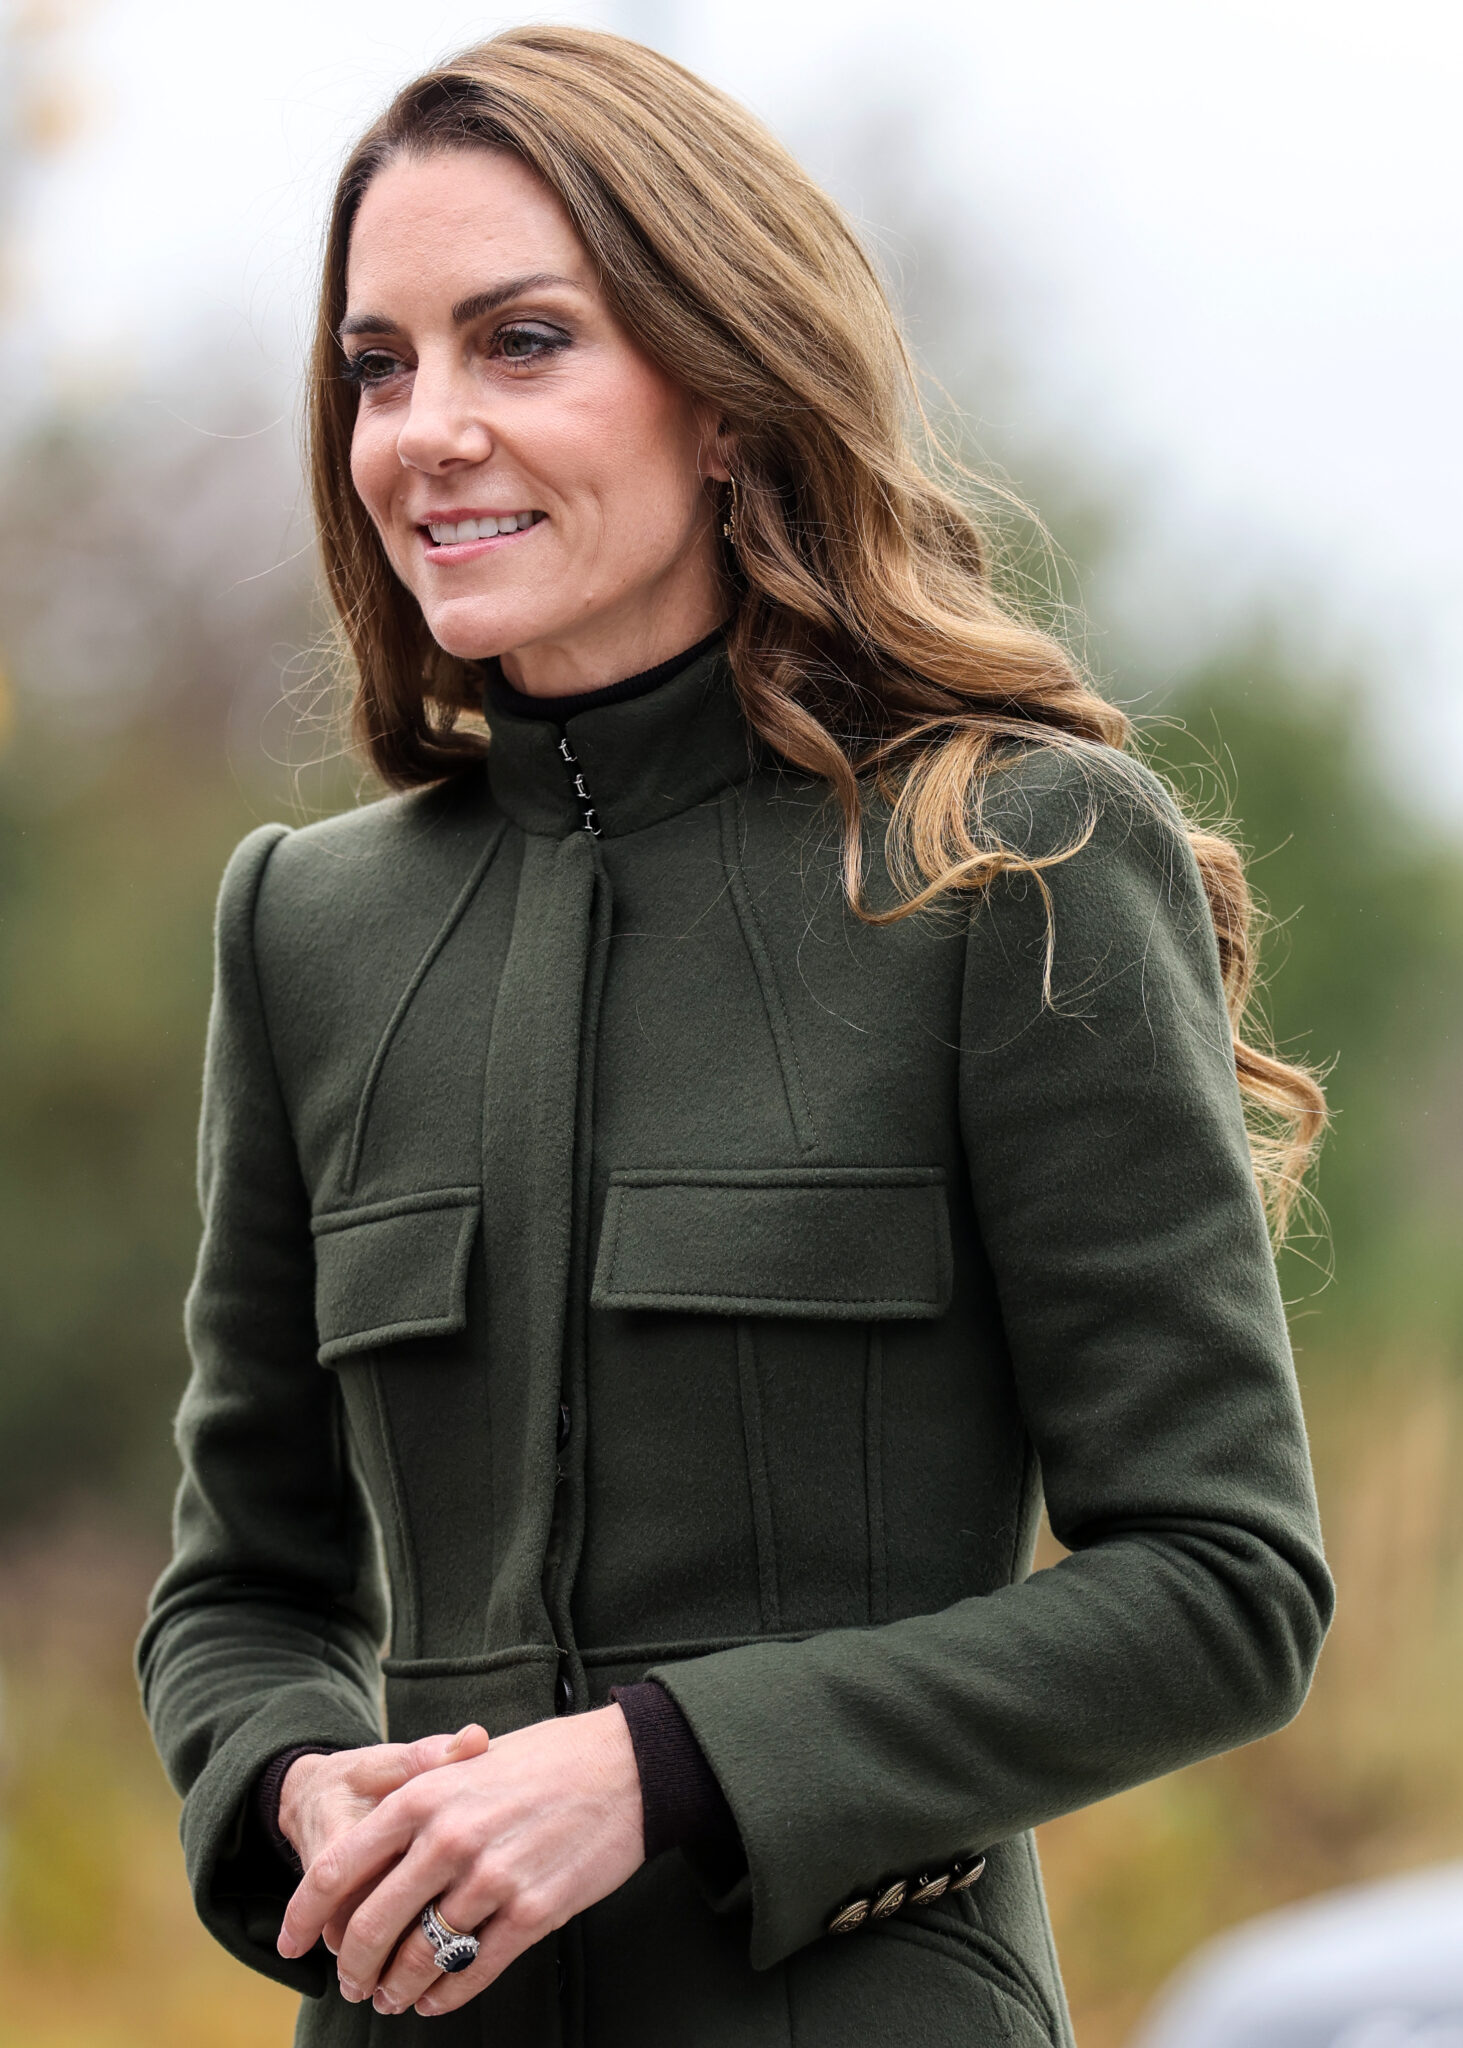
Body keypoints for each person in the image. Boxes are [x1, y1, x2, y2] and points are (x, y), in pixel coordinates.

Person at [137, 25, 1335, 2047]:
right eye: (378, 365)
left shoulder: (1012, 857)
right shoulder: (309, 928)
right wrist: (288, 1785)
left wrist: (661, 1768)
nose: (427, 429)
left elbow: (1227, 1583)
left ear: (721, 394)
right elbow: (243, 1584)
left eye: (521, 342)